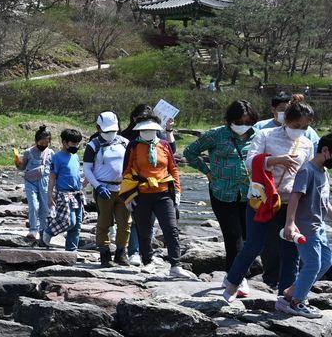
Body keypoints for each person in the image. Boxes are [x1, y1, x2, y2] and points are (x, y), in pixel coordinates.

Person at [223, 99, 318, 304]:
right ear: (286, 121)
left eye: (304, 127)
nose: (300, 130)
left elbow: (307, 174)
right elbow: (250, 162)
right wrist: (276, 160)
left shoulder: (307, 144)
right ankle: (231, 283)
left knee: (290, 251)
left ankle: (284, 298)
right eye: (296, 126)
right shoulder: (265, 135)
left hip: (289, 203)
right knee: (254, 245)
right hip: (262, 199)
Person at [184, 100, 257, 274]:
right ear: (230, 120)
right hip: (222, 192)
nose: (243, 126)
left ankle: (240, 274)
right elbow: (190, 152)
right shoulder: (216, 135)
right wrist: (207, 172)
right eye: (239, 122)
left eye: (247, 122)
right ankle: (236, 277)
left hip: (249, 193)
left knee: (248, 236)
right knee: (233, 235)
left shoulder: (258, 135)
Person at [125, 118, 190, 277]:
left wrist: (178, 191)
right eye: (144, 131)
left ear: (156, 131)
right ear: (139, 131)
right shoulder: (134, 146)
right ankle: (148, 262)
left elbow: (173, 169)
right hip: (141, 193)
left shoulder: (164, 145)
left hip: (164, 192)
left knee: (171, 228)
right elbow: (126, 170)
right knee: (144, 230)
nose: (147, 133)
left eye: (150, 130)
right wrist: (128, 196)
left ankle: (175, 265)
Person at [284, 133, 332, 317]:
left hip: (318, 226)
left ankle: (291, 293)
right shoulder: (307, 170)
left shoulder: (323, 172)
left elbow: (325, 203)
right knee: (313, 263)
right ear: (325, 150)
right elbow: (295, 196)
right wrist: (290, 223)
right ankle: (296, 302)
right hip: (305, 226)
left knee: (326, 261)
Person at [83, 111, 130, 267]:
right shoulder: (93, 146)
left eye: (113, 130)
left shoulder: (125, 143)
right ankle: (104, 254)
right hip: (103, 189)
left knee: (125, 223)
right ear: (98, 128)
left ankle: (121, 253)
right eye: (107, 131)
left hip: (123, 189)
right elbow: (87, 170)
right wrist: (98, 186)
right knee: (104, 222)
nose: (110, 133)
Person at [48, 128, 86, 251]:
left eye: (77, 143)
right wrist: (50, 195)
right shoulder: (57, 157)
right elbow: (52, 177)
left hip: (77, 193)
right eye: (73, 143)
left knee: (78, 224)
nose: (76, 146)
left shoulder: (75, 156)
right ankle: (48, 232)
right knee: (70, 222)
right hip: (64, 193)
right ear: (64, 142)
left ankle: (71, 250)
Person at [17, 125, 53, 245]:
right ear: (36, 141)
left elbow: (54, 170)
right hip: (30, 182)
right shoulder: (29, 152)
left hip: (45, 182)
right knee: (34, 205)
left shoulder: (51, 153)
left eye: (46, 143)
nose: (43, 145)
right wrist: (17, 163)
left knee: (44, 207)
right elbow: (22, 167)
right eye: (41, 142)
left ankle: (42, 230)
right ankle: (33, 230)